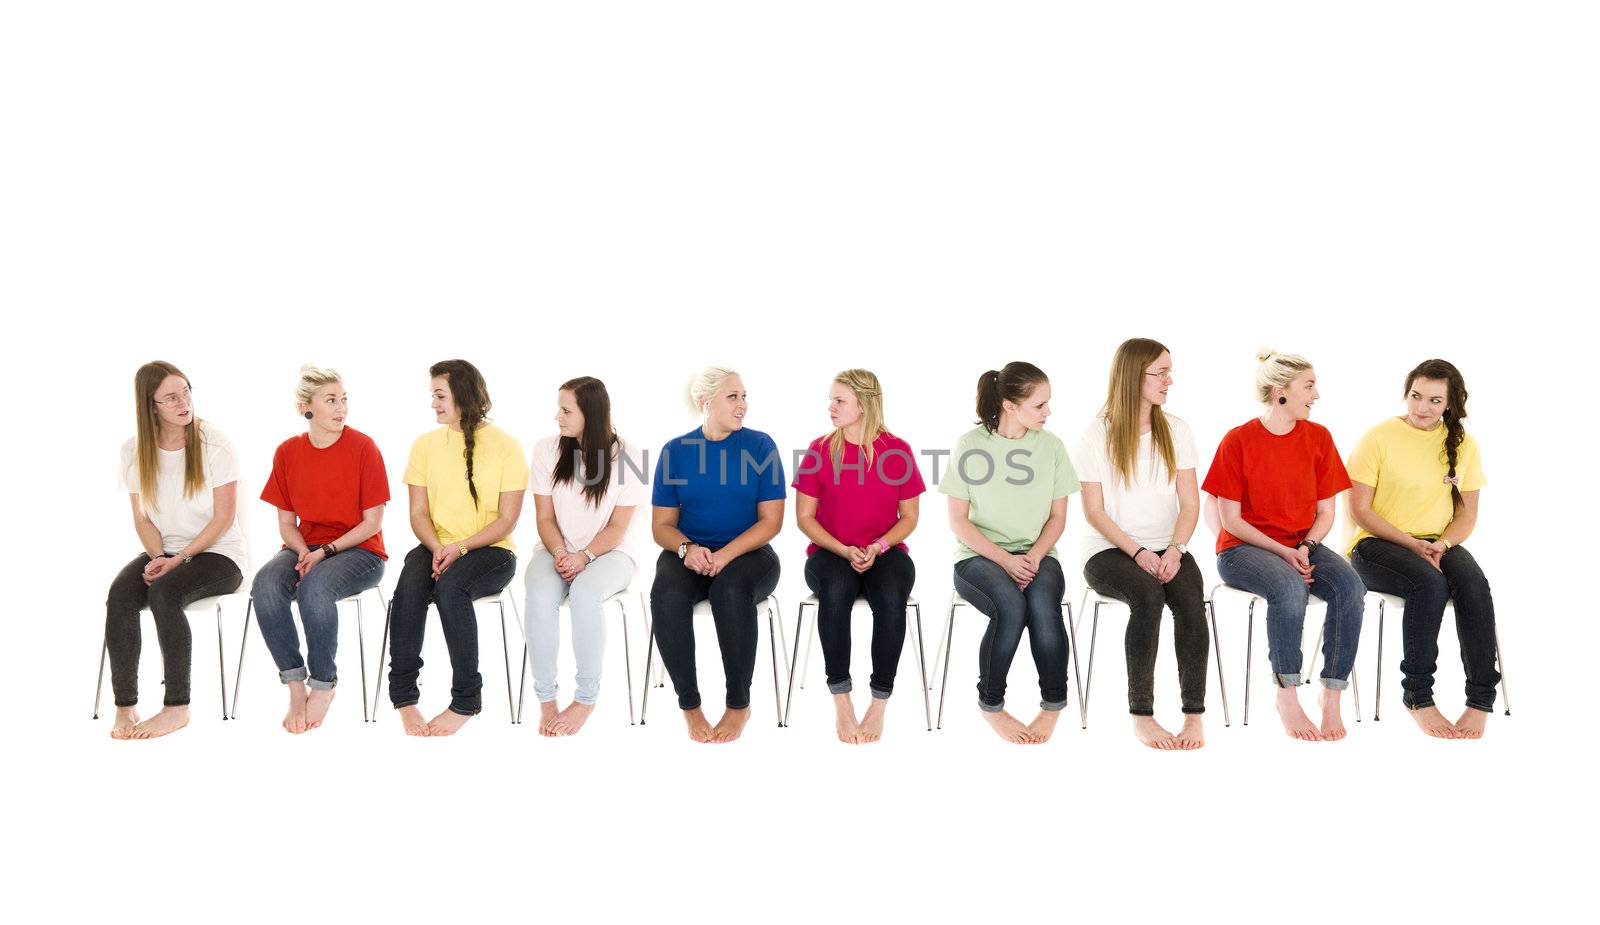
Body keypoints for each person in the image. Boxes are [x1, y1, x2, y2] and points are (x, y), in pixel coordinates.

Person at [1202, 349, 1362, 742]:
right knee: (1289, 588)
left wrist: (1305, 546)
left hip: (1302, 544)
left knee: (1350, 588)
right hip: (1242, 550)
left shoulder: (1319, 437)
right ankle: (1287, 694)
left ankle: (1331, 694)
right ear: (1280, 392)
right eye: (1308, 386)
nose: (1316, 395)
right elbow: (1230, 521)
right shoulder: (1238, 440)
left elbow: (1326, 512)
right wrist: (1283, 552)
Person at [1347, 359, 1497, 739]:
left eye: (1434, 400)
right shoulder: (1378, 437)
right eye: (1416, 396)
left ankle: (1480, 699)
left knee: (1474, 585)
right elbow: (1360, 509)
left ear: (1449, 403)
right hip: (1376, 544)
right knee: (1429, 585)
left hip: (1436, 542)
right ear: (1406, 394)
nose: (1421, 408)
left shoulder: (1463, 445)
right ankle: (1418, 696)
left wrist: (1441, 544)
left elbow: (1467, 515)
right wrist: (1411, 544)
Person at [1076, 339, 1208, 749]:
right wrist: (1138, 552)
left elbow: (1189, 504)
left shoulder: (1178, 430)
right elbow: (1095, 511)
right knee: (1148, 598)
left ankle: (1193, 716)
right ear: (1134, 376)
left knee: (1189, 599)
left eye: (1170, 371)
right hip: (1109, 551)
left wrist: (1175, 550)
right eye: (1160, 373)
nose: (1170, 380)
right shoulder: (1096, 434)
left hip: (1169, 548)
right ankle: (1142, 715)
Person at [106, 361, 246, 739]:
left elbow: (223, 518)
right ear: (151, 405)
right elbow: (142, 519)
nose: (183, 402)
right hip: (164, 550)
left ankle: (177, 707)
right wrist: (157, 558)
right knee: (120, 595)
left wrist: (177, 562)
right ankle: (125, 705)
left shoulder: (214, 443)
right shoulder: (134, 450)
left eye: (186, 391)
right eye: (171, 397)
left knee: (166, 592)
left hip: (219, 554)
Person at [941, 362, 1078, 745]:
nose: (1048, 412)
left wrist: (1033, 556)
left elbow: (1058, 517)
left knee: (1041, 607)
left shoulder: (1051, 447)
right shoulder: (971, 445)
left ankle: (1052, 705)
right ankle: (992, 705)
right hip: (977, 558)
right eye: (1040, 405)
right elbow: (958, 520)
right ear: (1010, 406)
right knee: (1011, 609)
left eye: (1048, 404)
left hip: (1039, 554)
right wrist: (1005, 560)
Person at [388, 359, 526, 736]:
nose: (433, 403)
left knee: (452, 588)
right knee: (409, 589)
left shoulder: (507, 447)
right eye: (432, 395)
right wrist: (437, 549)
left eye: (440, 395)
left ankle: (466, 700)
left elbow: (507, 520)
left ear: (463, 395)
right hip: (435, 545)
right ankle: (404, 697)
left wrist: (460, 549)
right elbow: (418, 513)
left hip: (491, 550)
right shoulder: (424, 445)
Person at [650, 367, 784, 744]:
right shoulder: (675, 451)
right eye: (733, 397)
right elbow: (661, 525)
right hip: (690, 552)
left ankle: (738, 704)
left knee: (729, 591)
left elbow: (771, 522)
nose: (742, 405)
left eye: (744, 396)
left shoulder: (760, 446)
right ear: (704, 402)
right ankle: (689, 705)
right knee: (667, 595)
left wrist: (724, 555)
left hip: (750, 554)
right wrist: (686, 549)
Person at [252, 365, 388, 734]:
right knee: (265, 583)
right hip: (304, 546)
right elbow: (286, 524)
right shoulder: (287, 452)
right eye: (330, 400)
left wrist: (324, 552)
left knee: (315, 588)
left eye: (343, 399)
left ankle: (323, 685)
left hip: (360, 551)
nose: (341, 408)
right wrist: (303, 552)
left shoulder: (363, 447)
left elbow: (371, 523)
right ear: (304, 407)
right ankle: (295, 685)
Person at [793, 369, 925, 744]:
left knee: (890, 595)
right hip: (830, 552)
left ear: (864, 405)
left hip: (886, 550)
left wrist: (878, 546)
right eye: (831, 399)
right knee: (836, 588)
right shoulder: (820, 450)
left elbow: (910, 517)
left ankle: (879, 703)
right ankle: (842, 701)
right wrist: (843, 548)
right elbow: (804, 517)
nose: (830, 407)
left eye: (839, 401)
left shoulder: (896, 450)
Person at [524, 376, 648, 736]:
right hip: (555, 548)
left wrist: (585, 557)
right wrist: (563, 552)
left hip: (611, 553)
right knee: (540, 593)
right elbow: (544, 519)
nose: (557, 417)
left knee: (585, 593)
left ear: (590, 414)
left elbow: (617, 529)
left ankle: (585, 698)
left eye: (566, 410)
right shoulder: (547, 450)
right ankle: (546, 699)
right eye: (558, 408)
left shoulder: (630, 456)